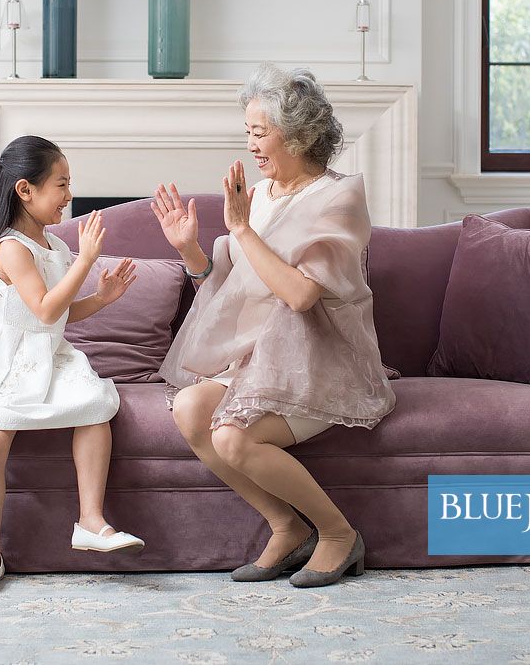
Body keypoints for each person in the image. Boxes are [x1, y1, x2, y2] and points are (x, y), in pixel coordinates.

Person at [154, 63, 396, 588]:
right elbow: (228, 293)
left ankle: (337, 534)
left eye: (259, 132)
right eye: (249, 132)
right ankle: (286, 526)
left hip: (319, 359)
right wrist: (190, 250)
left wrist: (240, 230)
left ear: (297, 133)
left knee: (234, 439)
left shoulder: (338, 197)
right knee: (191, 410)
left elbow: (300, 295)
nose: (252, 145)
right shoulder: (261, 195)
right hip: (258, 358)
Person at [0, 135, 145, 592]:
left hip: (51, 356)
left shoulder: (55, 247)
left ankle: (91, 521)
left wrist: (101, 296)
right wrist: (89, 261)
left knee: (97, 410)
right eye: (61, 184)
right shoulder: (11, 248)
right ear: (26, 190)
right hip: (8, 361)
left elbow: (60, 313)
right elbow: (42, 309)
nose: (69, 195)